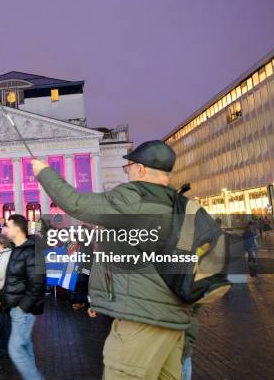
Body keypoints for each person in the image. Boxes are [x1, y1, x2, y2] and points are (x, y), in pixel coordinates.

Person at [33, 140, 193, 380]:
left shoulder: (133, 198)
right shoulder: (180, 205)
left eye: (127, 168)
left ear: (140, 169)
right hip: (176, 323)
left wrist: (43, 172)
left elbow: (76, 203)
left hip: (140, 321)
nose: (126, 173)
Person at [0, 215, 45, 379]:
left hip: (24, 310)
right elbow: (12, 280)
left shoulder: (31, 251)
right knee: (25, 348)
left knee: (15, 349)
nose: (5, 228)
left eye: (7, 225)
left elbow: (37, 283)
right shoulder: (17, 250)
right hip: (17, 308)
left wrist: (23, 306)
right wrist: (1, 300)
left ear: (17, 229)